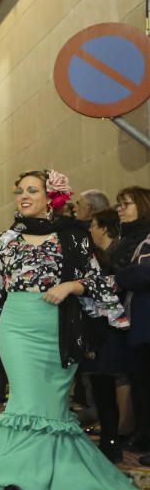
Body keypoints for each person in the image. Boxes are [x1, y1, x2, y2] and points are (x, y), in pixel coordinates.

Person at [0, 169, 139, 490]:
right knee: (27, 402)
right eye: (19, 191)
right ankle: (21, 482)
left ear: (50, 197)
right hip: (17, 328)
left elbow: (97, 281)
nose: (23, 196)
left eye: (32, 190)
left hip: (58, 331)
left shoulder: (73, 237)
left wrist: (70, 286)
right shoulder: (5, 240)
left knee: (52, 410)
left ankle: (53, 480)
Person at [81, 209, 129, 462]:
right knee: (102, 388)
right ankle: (109, 440)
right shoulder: (97, 259)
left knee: (106, 387)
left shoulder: (99, 262)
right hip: (101, 333)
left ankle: (112, 441)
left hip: (104, 332)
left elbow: (103, 303)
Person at [112, 186, 150, 465]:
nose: (120, 209)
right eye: (118, 205)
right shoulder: (127, 239)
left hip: (146, 320)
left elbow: (144, 274)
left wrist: (119, 277)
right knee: (139, 381)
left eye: (126, 204)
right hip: (136, 321)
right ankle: (143, 432)